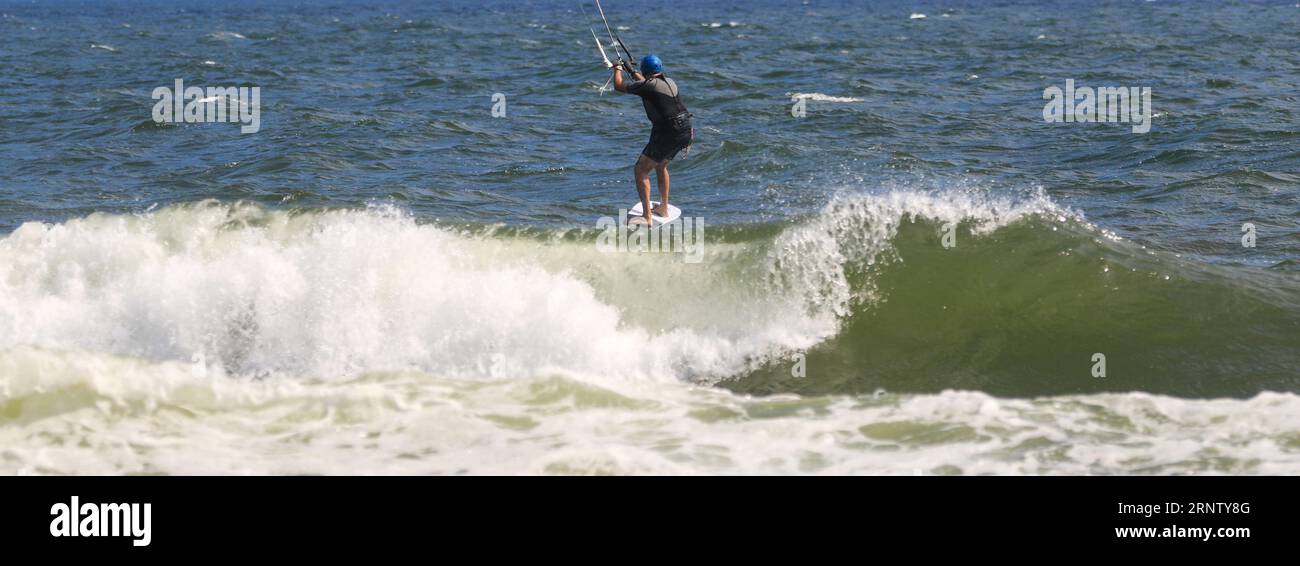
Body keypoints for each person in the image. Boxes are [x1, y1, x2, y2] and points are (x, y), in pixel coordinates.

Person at [613, 54, 693, 225]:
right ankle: (663, 208)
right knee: (661, 165)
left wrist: (617, 69)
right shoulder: (669, 81)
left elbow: (618, 86)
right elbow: (647, 84)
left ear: (645, 71)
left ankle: (647, 217)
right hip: (686, 129)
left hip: (668, 131)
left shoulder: (648, 86)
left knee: (640, 169)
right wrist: (632, 71)